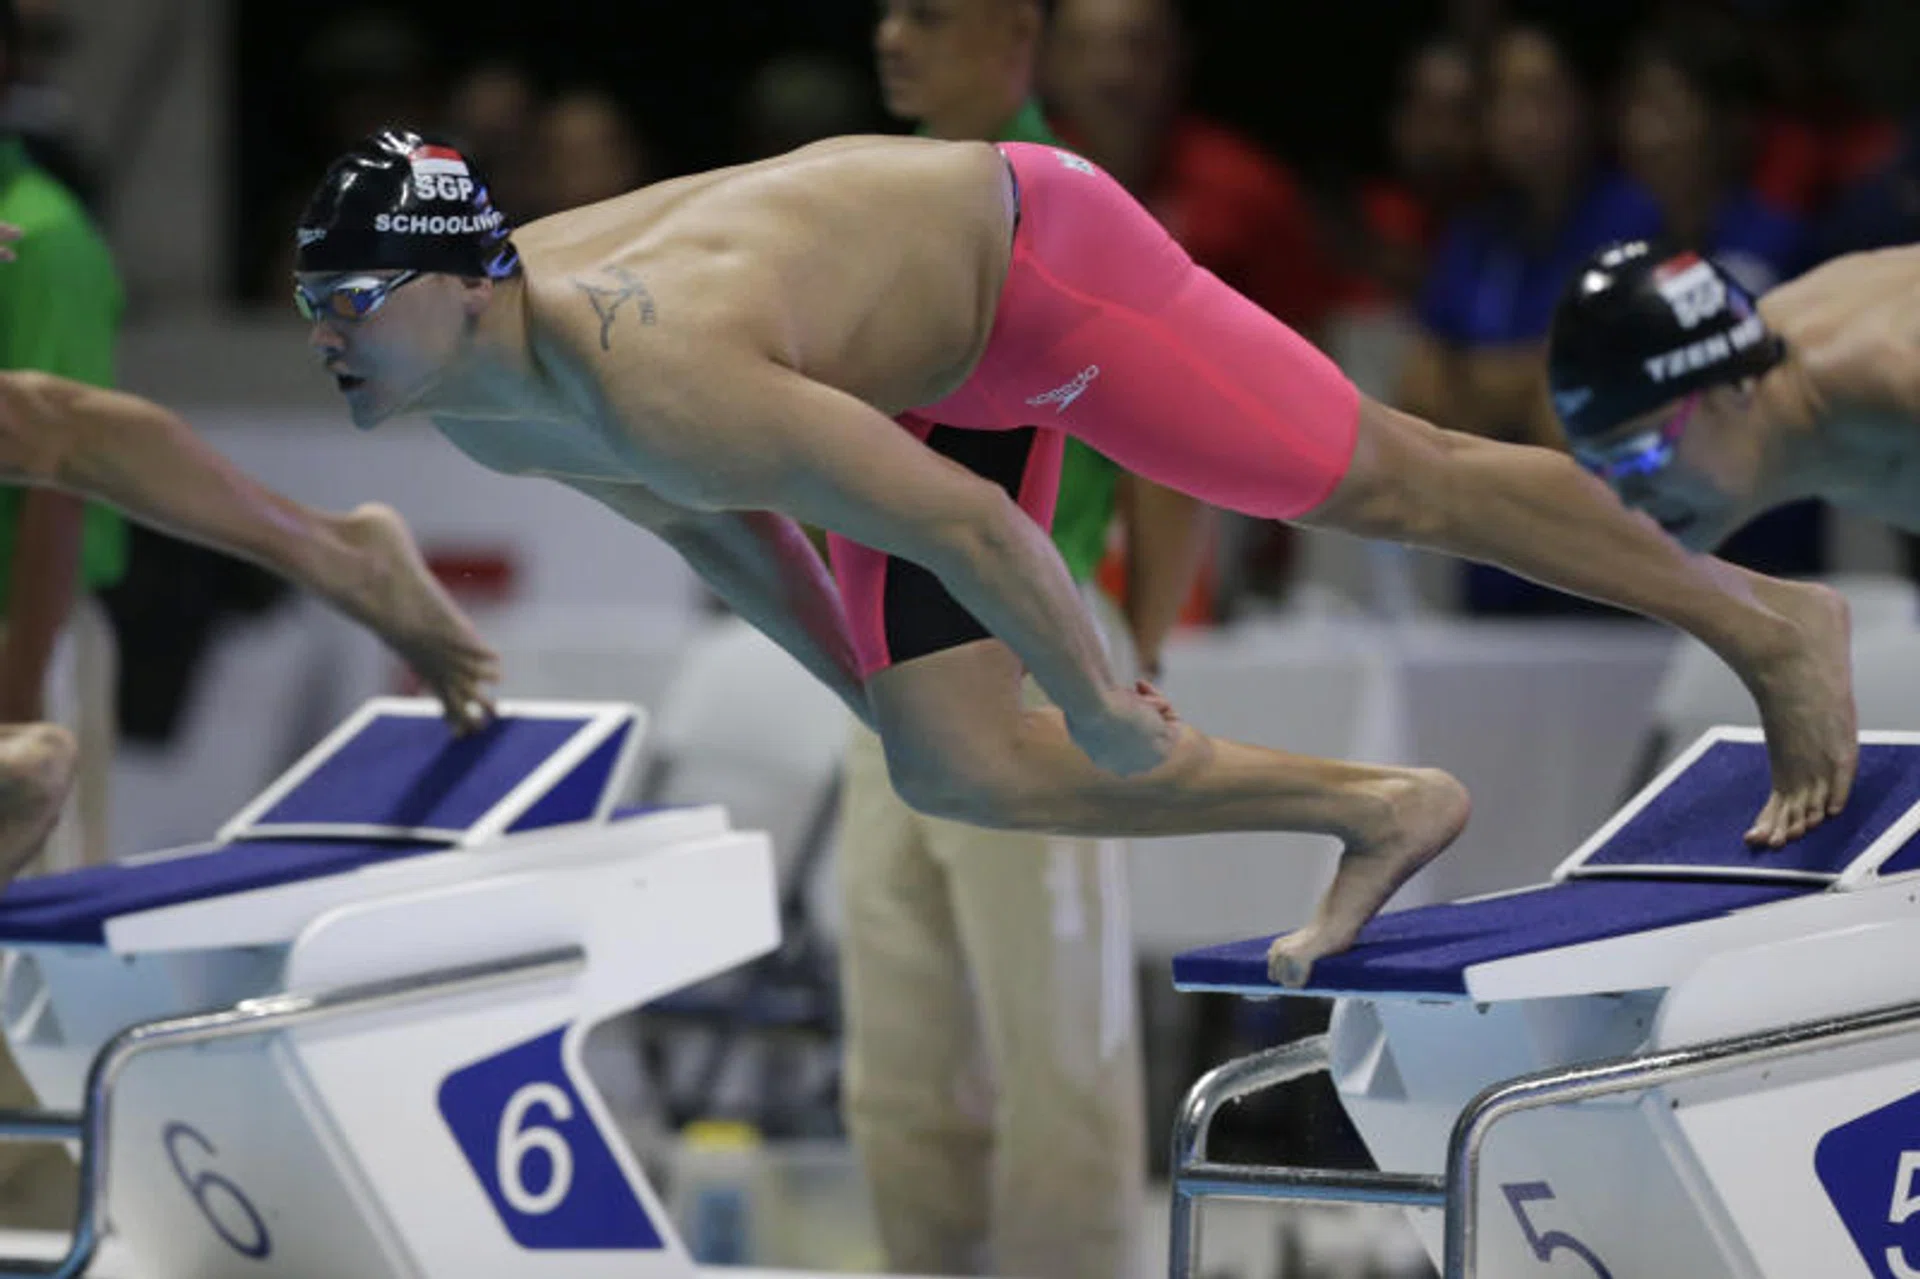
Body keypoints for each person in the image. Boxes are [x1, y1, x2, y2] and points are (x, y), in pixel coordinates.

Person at [291, 128, 1857, 993]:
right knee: (952, 764)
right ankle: (1381, 805)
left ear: (463, 276)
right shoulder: (488, 408)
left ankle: (1766, 616)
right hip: (896, 375)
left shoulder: (655, 365)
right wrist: (868, 687)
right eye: (315, 301)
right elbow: (717, 524)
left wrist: (1101, 699)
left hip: (1040, 277)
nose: (326, 333)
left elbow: (973, 528)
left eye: (351, 296)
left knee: (1396, 480)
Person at [839, 2, 1171, 1274]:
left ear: (1013, 30)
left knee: (1055, 1031)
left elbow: (1169, 464)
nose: (891, 34)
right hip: (881, 637)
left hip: (1038, 630)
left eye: (927, 11)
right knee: (898, 1028)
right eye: (888, 9)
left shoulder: (1078, 209)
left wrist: (1131, 647)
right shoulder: (868, 195)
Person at [1549, 237, 1920, 567]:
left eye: (1641, 452)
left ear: (1733, 387)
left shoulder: (1891, 378)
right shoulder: (1776, 374)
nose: (1629, 498)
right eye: (1599, 464)